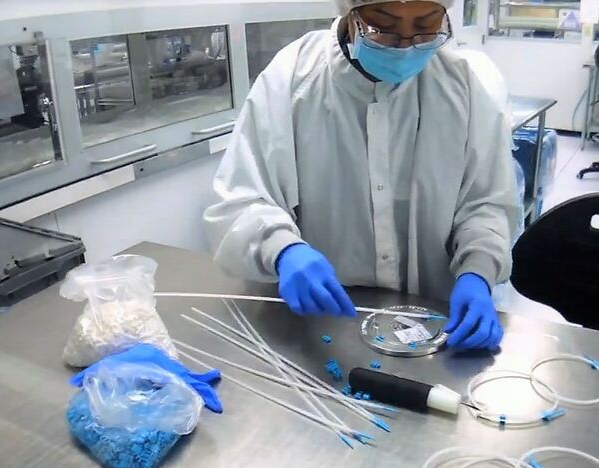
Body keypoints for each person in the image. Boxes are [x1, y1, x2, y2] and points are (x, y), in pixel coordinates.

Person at [203, 0, 519, 351]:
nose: (406, 44)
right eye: (384, 25)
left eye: (425, 24)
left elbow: (485, 203)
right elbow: (243, 197)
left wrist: (477, 271)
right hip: (319, 325)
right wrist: (283, 250)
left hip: (432, 326)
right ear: (349, 15)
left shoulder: (464, 87)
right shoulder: (292, 80)